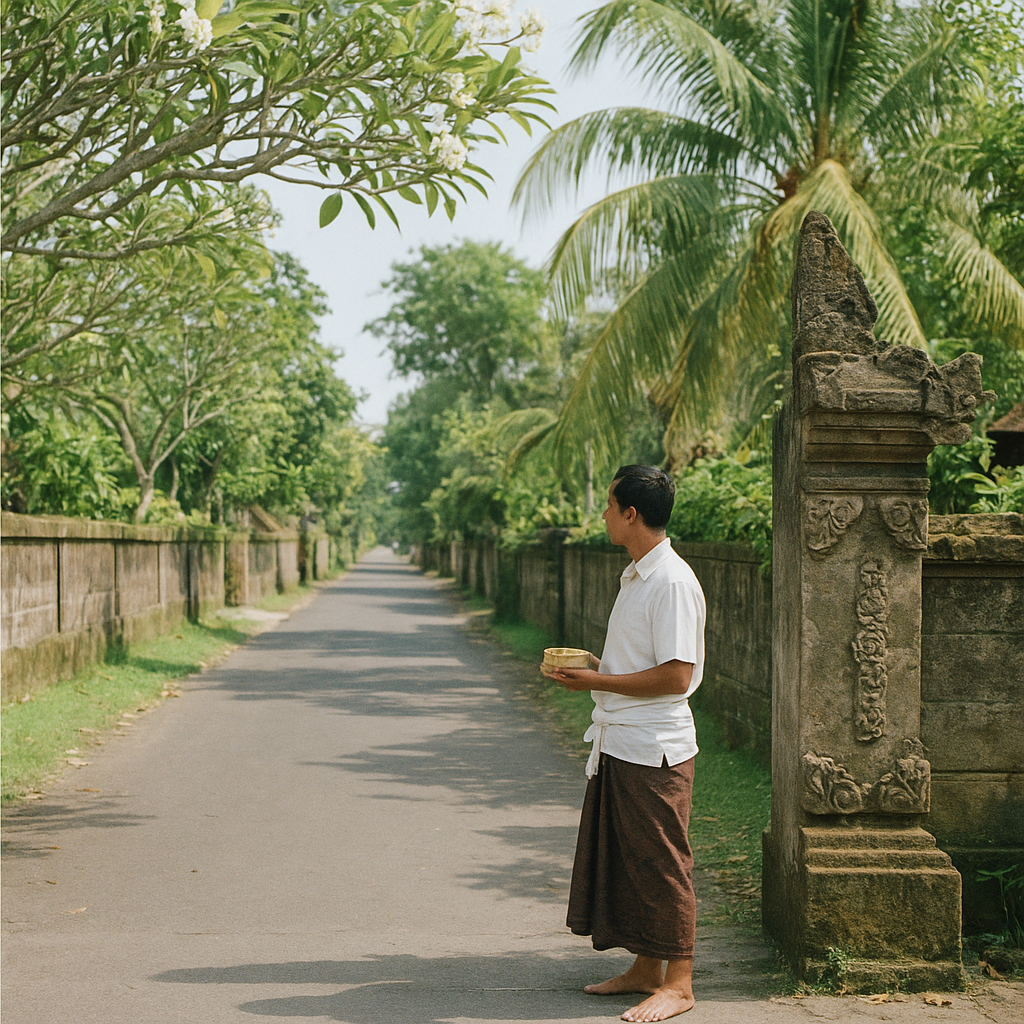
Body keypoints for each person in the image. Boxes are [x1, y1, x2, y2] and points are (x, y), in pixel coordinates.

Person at [540, 465, 706, 1023]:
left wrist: (599, 682)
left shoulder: (673, 581)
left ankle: (678, 983)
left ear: (630, 513)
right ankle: (645, 968)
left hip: (655, 745)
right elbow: (646, 663)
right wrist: (596, 666)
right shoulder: (639, 575)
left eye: (609, 506)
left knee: (662, 862)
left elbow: (677, 676)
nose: (604, 515)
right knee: (632, 858)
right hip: (625, 741)